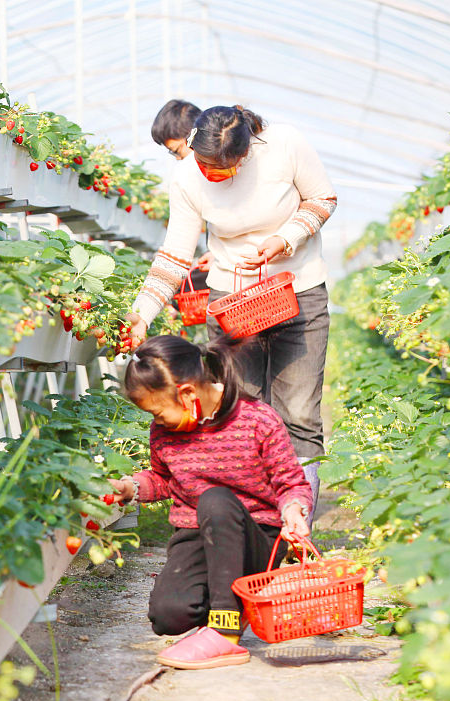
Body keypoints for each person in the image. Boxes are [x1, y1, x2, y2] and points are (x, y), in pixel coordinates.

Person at [124, 106, 337, 516]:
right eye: (205, 163)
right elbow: (174, 255)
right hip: (232, 301)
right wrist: (142, 313)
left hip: (299, 289)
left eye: (225, 167)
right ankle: (254, 522)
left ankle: (296, 525)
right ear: (192, 145)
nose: (214, 174)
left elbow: (322, 198)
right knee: (239, 414)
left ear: (246, 154)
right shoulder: (187, 177)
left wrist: (286, 238)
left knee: (299, 414)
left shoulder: (284, 144)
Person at [105, 335, 312, 669]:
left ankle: (225, 631)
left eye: (158, 412)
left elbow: (290, 481)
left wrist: (292, 511)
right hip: (199, 534)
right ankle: (238, 602)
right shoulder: (163, 433)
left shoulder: (257, 419)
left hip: (255, 539)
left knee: (215, 500)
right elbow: (164, 479)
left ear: (187, 394)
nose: (156, 422)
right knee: (167, 616)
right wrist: (131, 487)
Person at [149, 100, 212, 288]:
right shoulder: (190, 179)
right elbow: (178, 248)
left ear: (195, 134)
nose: (179, 160)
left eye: (178, 151)